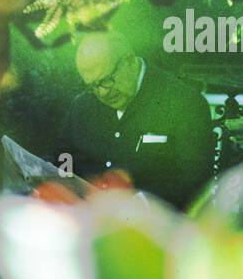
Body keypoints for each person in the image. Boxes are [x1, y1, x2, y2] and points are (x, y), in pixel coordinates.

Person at [62, 32, 216, 208]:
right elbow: (64, 153)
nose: (103, 92)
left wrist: (138, 203)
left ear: (130, 61)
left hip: (159, 224)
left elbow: (195, 178)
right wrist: (65, 181)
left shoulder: (184, 102)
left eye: (107, 80)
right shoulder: (82, 105)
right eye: (93, 85)